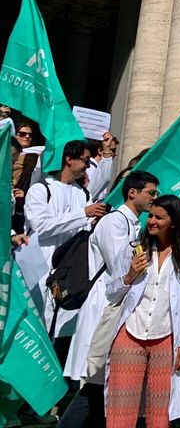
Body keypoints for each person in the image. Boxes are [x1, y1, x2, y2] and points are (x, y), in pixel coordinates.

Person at [59, 171, 160, 428]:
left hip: (119, 303)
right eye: (151, 192)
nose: (154, 198)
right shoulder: (113, 223)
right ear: (132, 192)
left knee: (105, 384)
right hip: (105, 304)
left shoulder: (135, 225)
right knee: (94, 382)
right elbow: (121, 269)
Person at [103, 194, 180, 428]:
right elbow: (110, 292)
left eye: (160, 217)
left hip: (166, 337)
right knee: (121, 407)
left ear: (174, 222)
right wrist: (129, 276)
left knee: (160, 411)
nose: (152, 221)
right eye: (151, 216)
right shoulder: (136, 248)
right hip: (130, 334)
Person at [23, 139, 108, 335]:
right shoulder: (41, 189)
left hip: (68, 269)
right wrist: (83, 214)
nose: (87, 166)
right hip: (40, 265)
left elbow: (83, 231)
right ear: (69, 159)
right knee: (35, 325)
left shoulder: (83, 194)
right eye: (85, 160)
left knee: (61, 328)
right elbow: (41, 227)